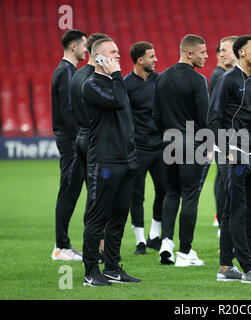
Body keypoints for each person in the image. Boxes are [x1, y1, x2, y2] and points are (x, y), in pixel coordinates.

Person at [208, 35, 251, 285]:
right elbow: (213, 118)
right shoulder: (228, 80)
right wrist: (226, 149)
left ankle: (226, 266)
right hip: (234, 153)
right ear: (242, 53)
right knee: (238, 209)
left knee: (244, 210)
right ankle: (248, 267)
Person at [82, 38, 140, 286]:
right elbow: (116, 101)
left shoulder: (117, 84)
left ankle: (113, 268)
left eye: (117, 52)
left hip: (125, 161)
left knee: (118, 218)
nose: (118, 56)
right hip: (104, 162)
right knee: (97, 218)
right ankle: (91, 271)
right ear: (98, 58)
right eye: (112, 52)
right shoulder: (92, 84)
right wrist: (116, 74)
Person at [153, 34, 210, 267]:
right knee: (190, 196)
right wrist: (207, 145)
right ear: (189, 53)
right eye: (202, 52)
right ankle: (185, 252)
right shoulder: (198, 81)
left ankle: (166, 242)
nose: (206, 56)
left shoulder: (163, 78)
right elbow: (204, 117)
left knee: (171, 192)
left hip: (169, 142)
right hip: (192, 144)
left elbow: (156, 114)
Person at [71, 33, 111, 262]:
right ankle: (97, 251)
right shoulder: (94, 78)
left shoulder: (78, 76)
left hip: (82, 137)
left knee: (94, 194)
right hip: (95, 140)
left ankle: (99, 248)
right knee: (100, 196)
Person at [124, 41, 167, 255]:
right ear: (140, 60)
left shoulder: (159, 81)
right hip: (138, 148)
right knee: (136, 195)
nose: (156, 59)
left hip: (160, 147)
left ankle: (154, 236)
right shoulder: (126, 85)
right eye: (152, 56)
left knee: (164, 190)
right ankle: (140, 241)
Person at [51, 29, 87, 261]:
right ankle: (60, 247)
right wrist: (80, 138)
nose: (86, 49)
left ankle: (63, 245)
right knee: (68, 192)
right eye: (84, 45)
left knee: (71, 191)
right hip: (71, 142)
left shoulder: (69, 71)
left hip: (72, 140)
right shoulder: (66, 72)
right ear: (74, 47)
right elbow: (67, 111)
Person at [209, 36, 238, 234]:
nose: (221, 54)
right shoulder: (221, 76)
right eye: (220, 50)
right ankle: (222, 221)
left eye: (224, 50)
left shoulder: (233, 75)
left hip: (242, 139)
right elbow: (215, 114)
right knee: (225, 180)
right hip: (227, 139)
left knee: (229, 181)